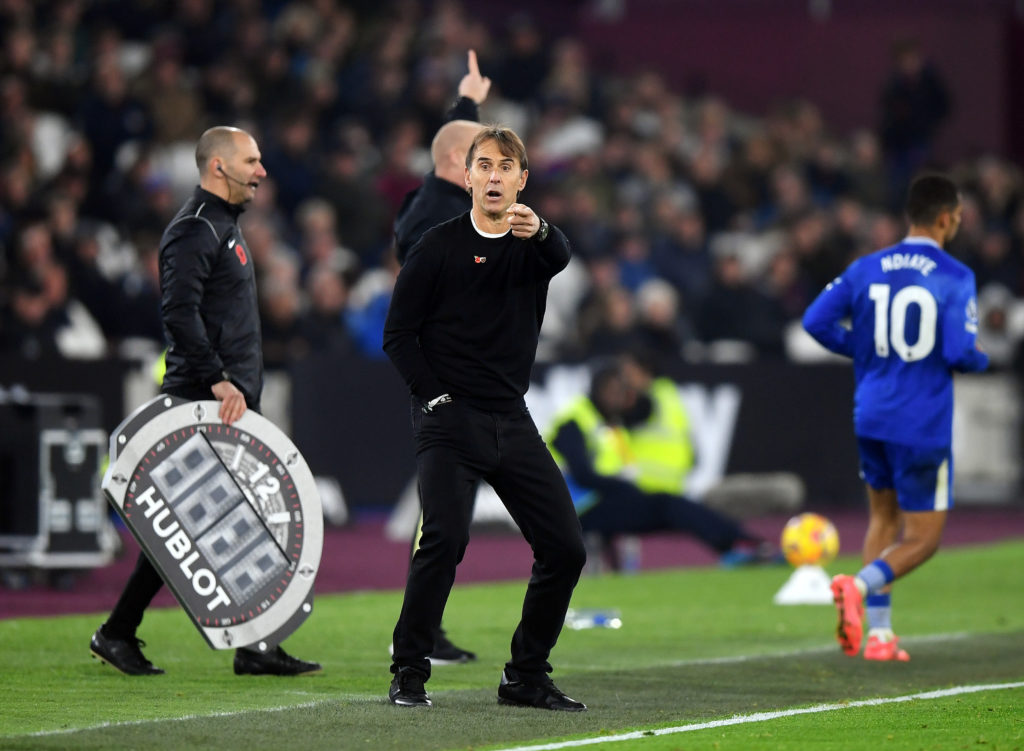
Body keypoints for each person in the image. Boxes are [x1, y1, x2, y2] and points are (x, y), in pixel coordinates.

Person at [89, 126, 321, 677]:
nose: (262, 171)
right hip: (207, 398)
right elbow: (177, 312)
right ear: (218, 166)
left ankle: (239, 644)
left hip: (230, 397)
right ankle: (128, 632)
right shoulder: (195, 229)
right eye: (252, 161)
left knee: (232, 521)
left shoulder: (224, 226)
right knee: (221, 521)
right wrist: (218, 380)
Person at [382, 125, 587, 711]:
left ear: (522, 180)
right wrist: (434, 397)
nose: (494, 176)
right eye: (485, 165)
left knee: (565, 548)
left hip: (511, 417)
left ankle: (525, 675)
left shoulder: (534, 242)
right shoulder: (437, 244)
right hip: (451, 420)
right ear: (466, 176)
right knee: (444, 540)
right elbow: (399, 335)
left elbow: (560, 253)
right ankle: (409, 670)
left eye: (506, 167)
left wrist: (542, 227)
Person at [802, 174, 988, 662]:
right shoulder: (955, 275)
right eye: (960, 216)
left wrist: (862, 350)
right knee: (923, 540)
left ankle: (880, 637)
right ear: (946, 217)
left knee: (882, 518)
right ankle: (857, 589)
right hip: (921, 421)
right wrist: (981, 358)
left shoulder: (866, 267)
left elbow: (815, 321)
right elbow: (958, 351)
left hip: (872, 413)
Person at [390, 51, 488, 666]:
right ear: (459, 164)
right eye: (486, 157)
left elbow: (453, 142)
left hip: (470, 378)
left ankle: (428, 629)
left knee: (452, 513)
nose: (497, 167)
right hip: (446, 382)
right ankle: (416, 636)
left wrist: (468, 102)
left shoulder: (440, 199)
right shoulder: (434, 216)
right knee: (444, 514)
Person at [546, 359, 777, 570]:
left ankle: (739, 543)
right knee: (669, 506)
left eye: (620, 391)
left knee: (676, 508)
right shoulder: (574, 420)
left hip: (600, 502)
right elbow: (582, 473)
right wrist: (625, 488)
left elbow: (644, 411)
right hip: (579, 510)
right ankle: (740, 543)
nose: (616, 397)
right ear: (596, 389)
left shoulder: (608, 422)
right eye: (611, 391)